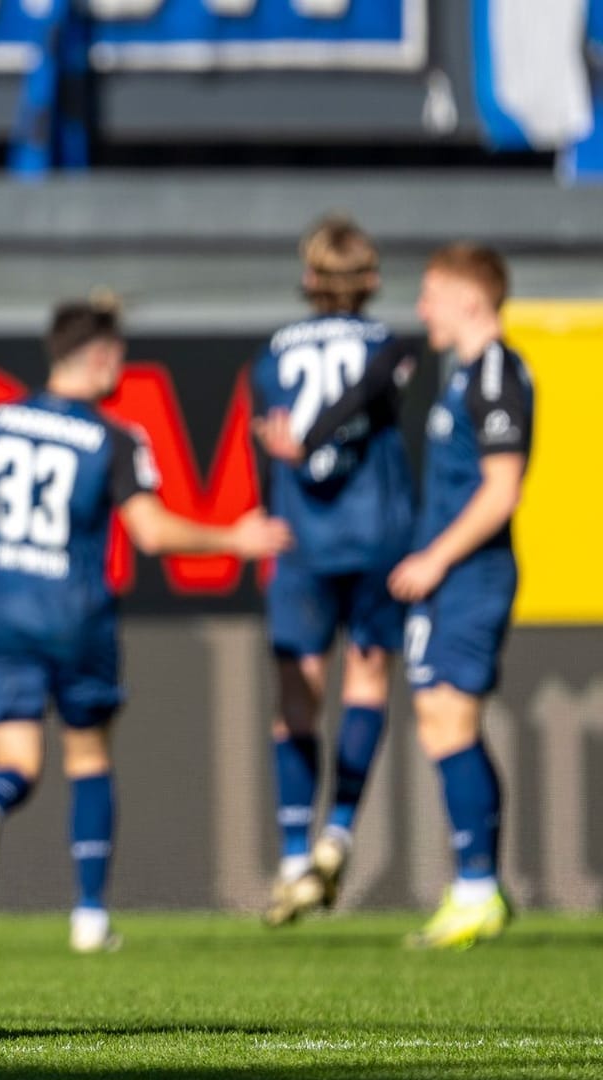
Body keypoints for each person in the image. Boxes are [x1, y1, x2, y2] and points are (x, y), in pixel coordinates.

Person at [0, 298, 291, 954]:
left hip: (4, 608)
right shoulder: (112, 438)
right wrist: (233, 536)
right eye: (118, 354)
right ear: (97, 357)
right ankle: (89, 916)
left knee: (16, 762)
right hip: (76, 614)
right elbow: (150, 531)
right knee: (88, 758)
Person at [247, 216, 417, 927]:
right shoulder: (388, 345)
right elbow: (380, 400)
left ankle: (292, 852)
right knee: (369, 680)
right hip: (378, 532)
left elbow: (271, 441)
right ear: (371, 279)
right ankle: (339, 830)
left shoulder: (270, 356)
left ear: (310, 278)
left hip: (304, 539)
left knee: (299, 691)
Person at [392, 244, 533, 949]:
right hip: (448, 575)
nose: (422, 310)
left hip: (471, 575)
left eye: (432, 293)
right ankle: (479, 884)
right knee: (438, 720)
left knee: (451, 721)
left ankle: (476, 888)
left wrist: (434, 557)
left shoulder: (500, 372)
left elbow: (502, 490)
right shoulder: (463, 376)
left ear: (472, 299)